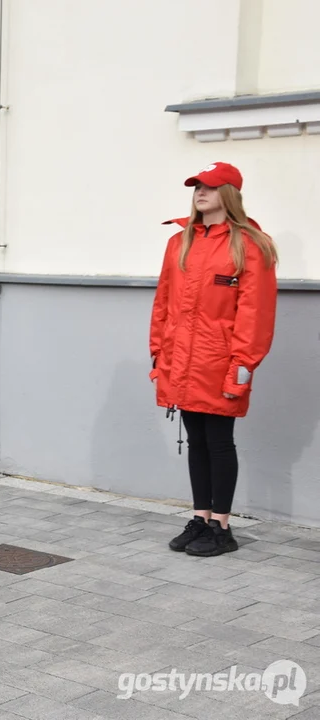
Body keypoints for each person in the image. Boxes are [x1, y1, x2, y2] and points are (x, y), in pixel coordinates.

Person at [150, 162, 278, 557]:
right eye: (196, 187)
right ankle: (201, 517)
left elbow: (255, 315)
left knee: (220, 442)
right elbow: (163, 303)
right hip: (182, 362)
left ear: (230, 193)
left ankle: (221, 526)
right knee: (196, 441)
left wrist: (240, 370)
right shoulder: (180, 242)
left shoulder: (250, 245)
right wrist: (159, 354)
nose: (199, 193)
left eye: (209, 186)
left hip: (220, 363)